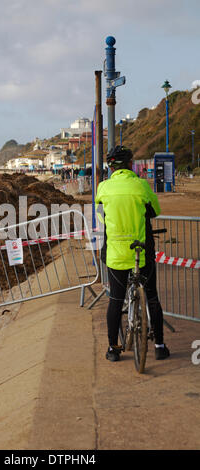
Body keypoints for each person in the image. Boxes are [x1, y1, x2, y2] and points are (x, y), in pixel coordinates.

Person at [95, 145, 170, 362]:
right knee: (152, 297)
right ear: (130, 165)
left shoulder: (103, 188)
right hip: (141, 251)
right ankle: (159, 346)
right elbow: (155, 211)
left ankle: (113, 349)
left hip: (116, 252)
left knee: (116, 300)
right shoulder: (141, 185)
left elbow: (101, 216)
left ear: (110, 168)